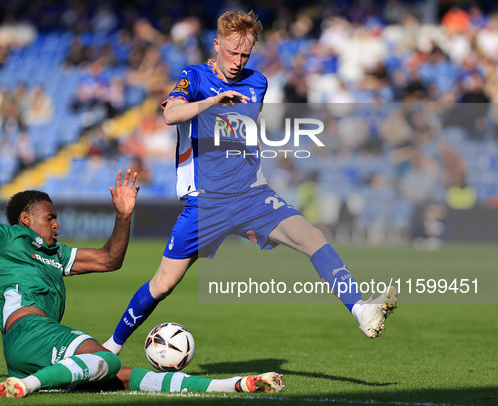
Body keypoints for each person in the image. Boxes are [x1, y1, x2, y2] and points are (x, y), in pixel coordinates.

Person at [103, 10, 397, 355]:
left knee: (312, 237)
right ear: (216, 45)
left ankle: (361, 310)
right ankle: (111, 347)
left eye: (245, 54)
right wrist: (213, 100)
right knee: (163, 283)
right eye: (231, 52)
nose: (237, 61)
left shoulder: (257, 82)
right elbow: (170, 114)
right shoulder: (194, 77)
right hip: (207, 201)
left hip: (252, 195)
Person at [0, 143, 284, 398]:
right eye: (50, 218)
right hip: (30, 329)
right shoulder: (8, 238)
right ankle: (27, 387)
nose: (56, 224)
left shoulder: (57, 254)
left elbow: (110, 259)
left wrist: (123, 216)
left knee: (120, 377)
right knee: (106, 358)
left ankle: (233, 385)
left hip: (30, 346)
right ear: (26, 219)